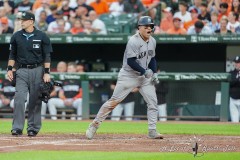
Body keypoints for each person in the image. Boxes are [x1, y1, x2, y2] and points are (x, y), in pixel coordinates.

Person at [86, 16, 162, 140]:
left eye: (151, 26)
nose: (149, 28)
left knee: (153, 103)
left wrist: (154, 73)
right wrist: (144, 71)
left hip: (144, 76)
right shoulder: (133, 41)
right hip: (128, 75)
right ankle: (94, 125)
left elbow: (152, 58)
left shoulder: (152, 40)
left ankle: (152, 131)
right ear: (139, 28)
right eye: (146, 26)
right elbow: (131, 61)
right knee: (113, 102)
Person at [7, 11, 52, 136]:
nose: (21, 22)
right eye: (20, 20)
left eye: (24, 20)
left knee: (35, 100)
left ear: (31, 21)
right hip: (21, 70)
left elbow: (47, 56)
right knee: (19, 98)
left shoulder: (42, 36)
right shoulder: (16, 36)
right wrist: (10, 69)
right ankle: (17, 127)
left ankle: (33, 128)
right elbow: (12, 55)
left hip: (38, 69)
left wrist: (47, 73)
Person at [229, 56, 240, 122]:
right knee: (234, 122)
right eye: (235, 62)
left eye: (238, 62)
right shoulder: (231, 73)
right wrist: (237, 79)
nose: (236, 64)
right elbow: (230, 83)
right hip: (233, 99)